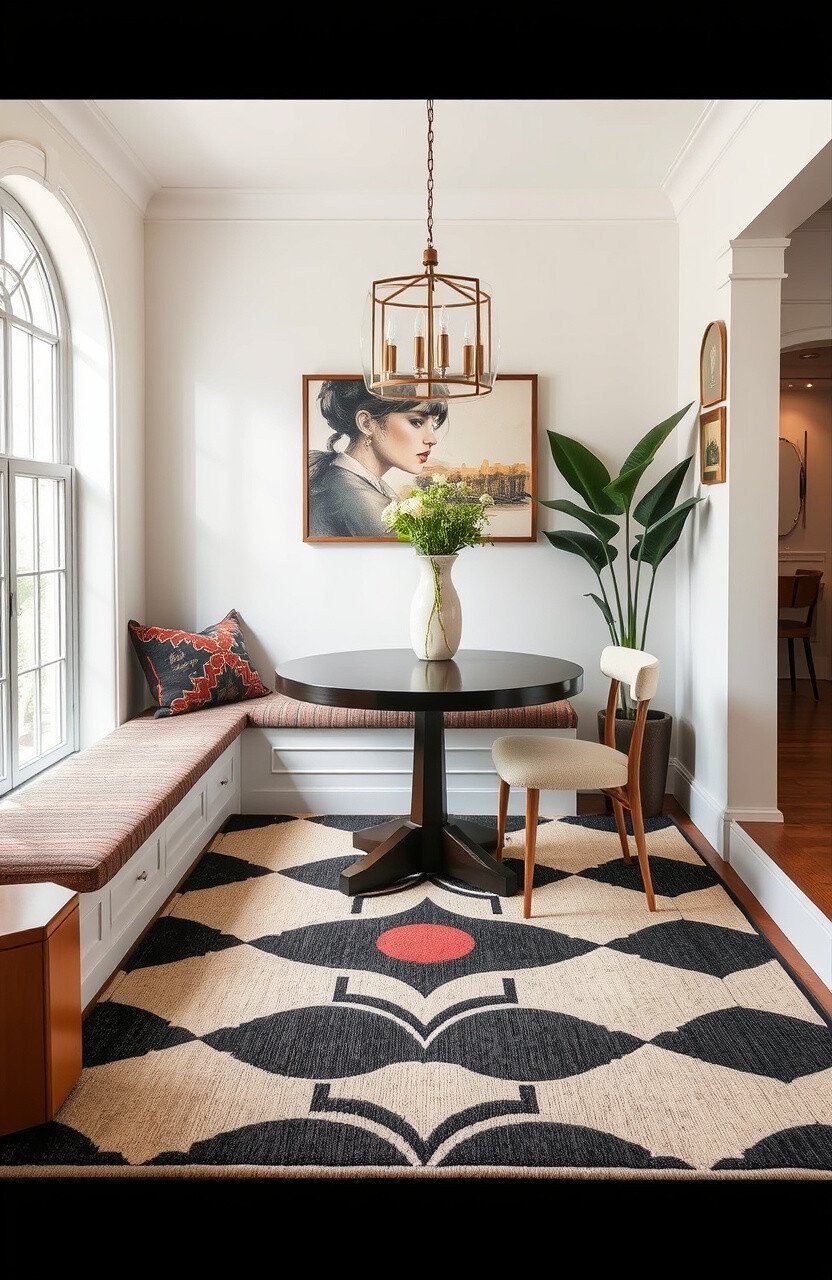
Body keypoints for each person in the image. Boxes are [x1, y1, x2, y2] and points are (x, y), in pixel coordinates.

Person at [308, 380, 449, 537]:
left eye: (434, 425)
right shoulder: (353, 494)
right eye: (416, 422)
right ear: (367, 423)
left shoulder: (349, 479)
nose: (432, 439)